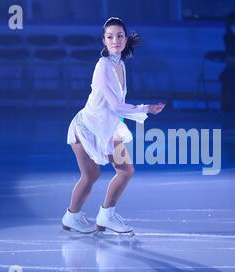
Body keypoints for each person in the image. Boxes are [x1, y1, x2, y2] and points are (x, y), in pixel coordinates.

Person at [63, 17, 165, 234]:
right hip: (87, 127)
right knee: (100, 174)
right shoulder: (103, 66)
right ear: (104, 40)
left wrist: (142, 109)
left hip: (106, 126)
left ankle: (98, 215)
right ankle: (79, 216)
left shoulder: (120, 63)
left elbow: (115, 107)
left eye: (119, 36)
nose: (115, 40)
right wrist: (145, 108)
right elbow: (116, 105)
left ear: (126, 39)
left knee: (117, 172)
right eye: (110, 37)